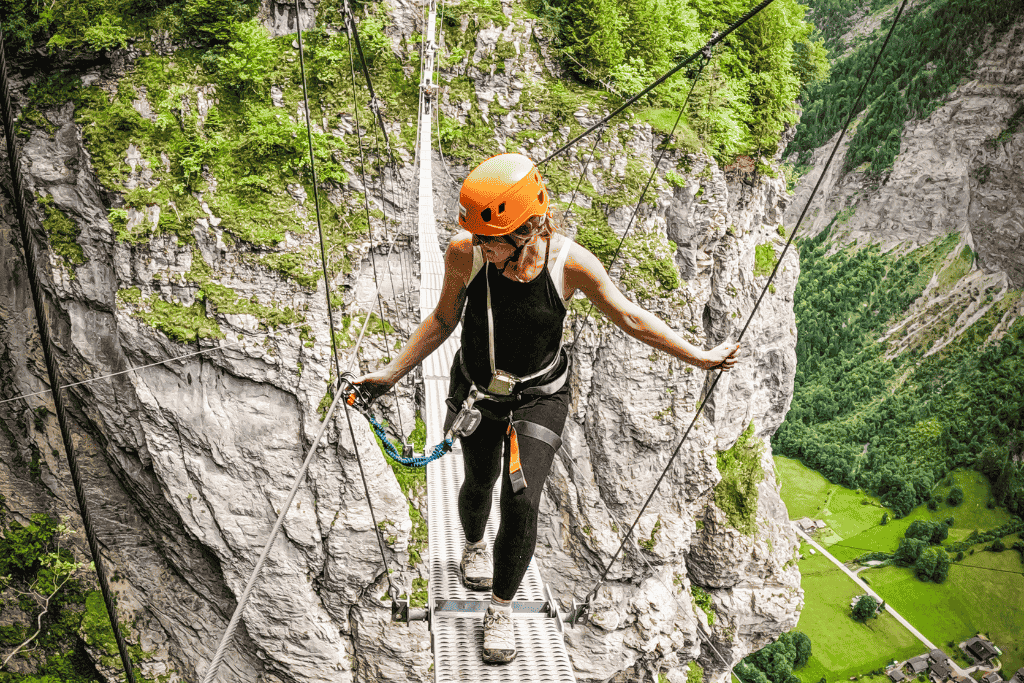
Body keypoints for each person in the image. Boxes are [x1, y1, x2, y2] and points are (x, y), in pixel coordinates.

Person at [353, 153, 739, 664]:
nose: (483, 249)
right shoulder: (463, 254)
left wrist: (699, 356)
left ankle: (500, 607)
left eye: (492, 241)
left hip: (541, 396)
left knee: (522, 499)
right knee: (478, 484)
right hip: (478, 391)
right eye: (480, 240)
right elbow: (444, 319)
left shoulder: (568, 264)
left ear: (528, 229)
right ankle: (472, 545)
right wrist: (390, 374)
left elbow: (631, 317)